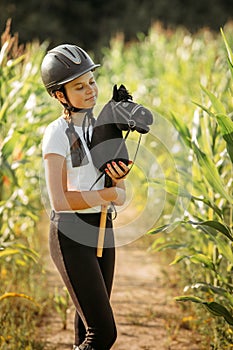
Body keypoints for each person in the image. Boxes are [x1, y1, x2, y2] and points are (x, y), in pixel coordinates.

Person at [40, 44, 131, 350]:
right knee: (103, 334)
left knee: (86, 332)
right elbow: (59, 201)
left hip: (103, 230)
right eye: (78, 87)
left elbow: (120, 194)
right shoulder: (56, 134)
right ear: (59, 95)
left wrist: (118, 184)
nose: (90, 90)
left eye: (91, 81)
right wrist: (107, 192)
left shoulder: (102, 128)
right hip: (70, 234)